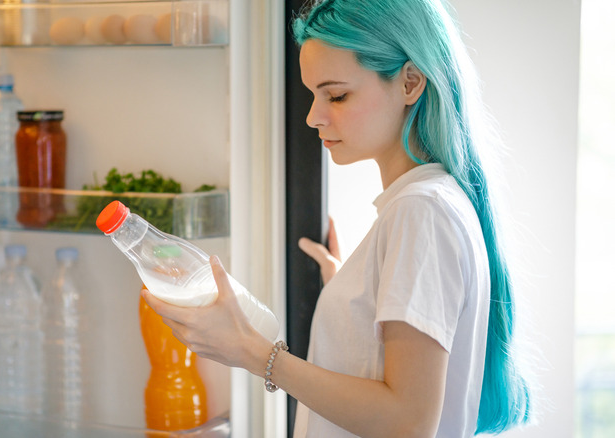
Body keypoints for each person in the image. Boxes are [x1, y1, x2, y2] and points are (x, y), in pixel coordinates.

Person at [142, 0, 533, 436]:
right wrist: (352, 293)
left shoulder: (420, 211)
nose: (313, 116)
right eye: (314, 94)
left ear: (410, 82)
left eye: (337, 95)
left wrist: (256, 353)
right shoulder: (429, 203)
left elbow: (407, 420)